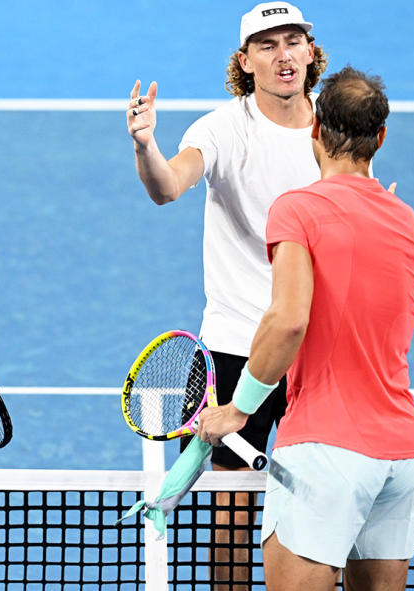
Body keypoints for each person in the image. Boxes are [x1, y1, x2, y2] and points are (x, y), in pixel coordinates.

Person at [197, 66, 414, 591]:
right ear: (381, 137)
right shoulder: (403, 216)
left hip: (325, 455)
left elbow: (288, 319)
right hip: (400, 455)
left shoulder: (298, 209)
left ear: (316, 130)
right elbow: (413, 296)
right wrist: (379, 215)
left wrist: (238, 409)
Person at [126, 2, 326, 587]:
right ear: (246, 61)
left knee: (322, 502)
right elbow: (169, 187)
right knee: (232, 513)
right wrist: (145, 147)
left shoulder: (333, 129)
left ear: (310, 54)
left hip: (318, 346)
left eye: (293, 42)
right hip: (239, 345)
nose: (283, 54)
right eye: (267, 46)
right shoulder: (221, 128)